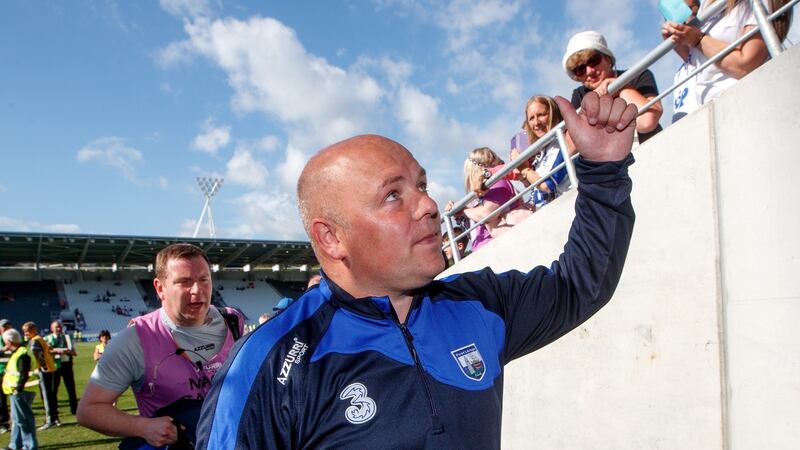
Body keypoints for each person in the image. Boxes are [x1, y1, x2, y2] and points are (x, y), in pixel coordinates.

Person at [196, 92, 639, 449]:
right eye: (393, 195)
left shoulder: (478, 304)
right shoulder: (268, 363)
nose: (428, 205)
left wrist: (602, 172)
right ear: (331, 237)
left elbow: (581, 284)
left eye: (422, 186)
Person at [76, 243, 245, 449]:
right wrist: (143, 427)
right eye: (184, 282)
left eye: (204, 280)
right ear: (160, 288)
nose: (197, 290)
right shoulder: (134, 340)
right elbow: (88, 410)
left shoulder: (233, 321)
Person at [662, 0, 793, 120]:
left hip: (747, 105)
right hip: (714, 111)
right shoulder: (707, 7)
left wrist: (697, 39)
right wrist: (680, 42)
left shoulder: (755, 2)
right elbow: (705, 61)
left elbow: (746, 65)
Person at [563, 30, 664, 143]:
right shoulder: (579, 95)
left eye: (593, 60)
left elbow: (647, 122)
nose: (589, 71)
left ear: (608, 59)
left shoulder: (638, 75)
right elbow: (571, 145)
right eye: (579, 69)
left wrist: (620, 87)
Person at [446, 147, 531, 252]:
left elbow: (487, 214)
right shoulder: (477, 198)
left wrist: (463, 210)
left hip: (499, 247)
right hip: (487, 249)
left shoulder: (497, 183)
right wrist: (457, 212)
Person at [512, 95, 574, 208]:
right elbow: (534, 184)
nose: (536, 123)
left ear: (553, 114)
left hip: (566, 207)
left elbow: (546, 185)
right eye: (531, 118)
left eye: (541, 115)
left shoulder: (562, 140)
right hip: (547, 212)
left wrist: (525, 169)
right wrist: (521, 175)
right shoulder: (542, 149)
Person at [1, 328, 38, 450]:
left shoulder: (22, 353)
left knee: (24, 420)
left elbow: (23, 374)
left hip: (22, 391)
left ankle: (29, 446)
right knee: (17, 420)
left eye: (5, 341)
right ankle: (15, 445)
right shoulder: (19, 351)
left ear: (9, 342)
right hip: (18, 391)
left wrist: (18, 389)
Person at [21, 321, 59, 430]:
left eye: (26, 331)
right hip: (49, 369)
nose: (25, 334)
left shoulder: (35, 341)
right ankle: (54, 417)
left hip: (44, 370)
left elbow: (37, 354)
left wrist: (43, 366)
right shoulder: (39, 338)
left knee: (46, 396)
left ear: (33, 330)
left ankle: (49, 420)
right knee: (50, 395)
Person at [44, 320, 78, 416]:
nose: (59, 329)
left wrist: (66, 351)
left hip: (67, 364)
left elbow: (74, 353)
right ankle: (54, 411)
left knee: (71, 388)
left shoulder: (67, 338)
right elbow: (47, 352)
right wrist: (58, 350)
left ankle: (74, 409)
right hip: (55, 366)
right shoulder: (47, 338)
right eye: (56, 327)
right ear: (52, 328)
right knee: (54, 390)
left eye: (60, 327)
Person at [0, 319, 13, 434]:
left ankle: (16, 421)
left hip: (12, 374)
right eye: (4, 327)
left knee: (15, 399)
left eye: (8, 327)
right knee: (1, 400)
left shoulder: (14, 338)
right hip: (1, 372)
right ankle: (4, 423)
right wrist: (4, 349)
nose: (6, 329)